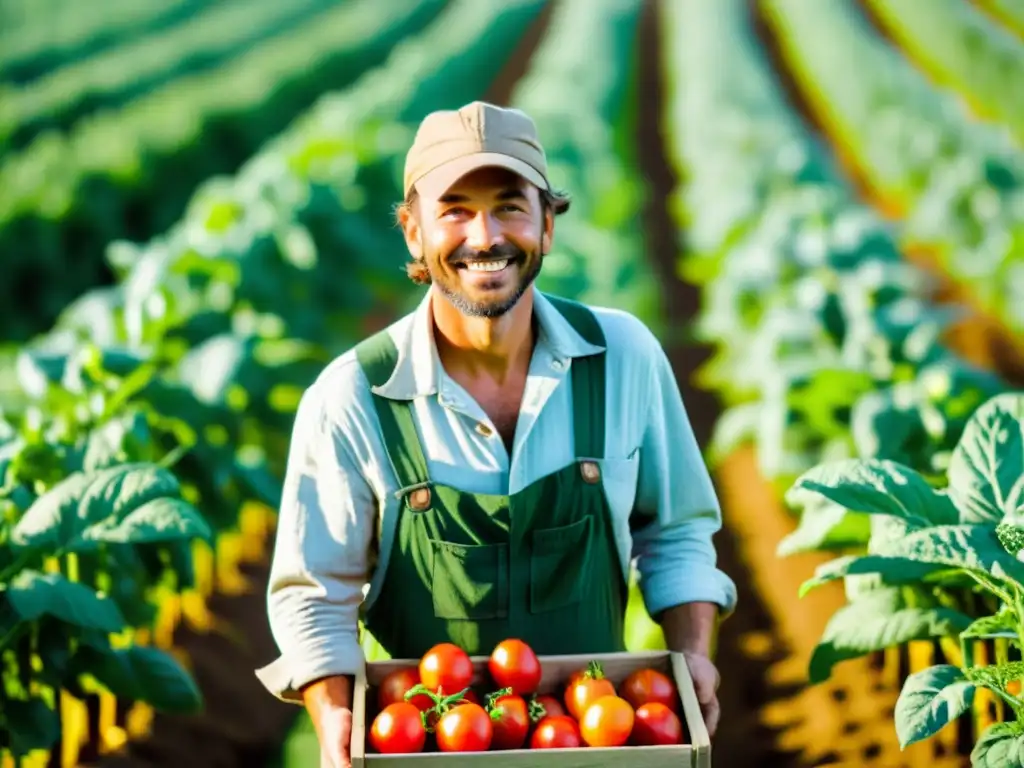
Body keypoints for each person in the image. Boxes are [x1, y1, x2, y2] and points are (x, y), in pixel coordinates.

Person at [255, 101, 737, 766]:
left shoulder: (624, 357)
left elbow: (677, 529)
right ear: (413, 233)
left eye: (510, 205)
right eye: (455, 209)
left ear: (548, 224)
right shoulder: (353, 398)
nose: (485, 235)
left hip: (592, 738)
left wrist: (690, 657)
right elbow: (316, 592)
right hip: (423, 739)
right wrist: (336, 714)